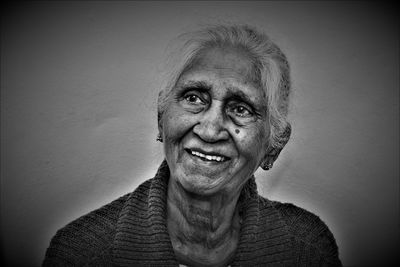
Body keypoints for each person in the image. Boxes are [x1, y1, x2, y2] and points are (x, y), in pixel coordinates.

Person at [43, 24, 342, 266]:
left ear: (273, 146)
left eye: (241, 109)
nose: (210, 130)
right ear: (162, 118)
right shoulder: (82, 252)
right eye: (194, 98)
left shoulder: (307, 249)